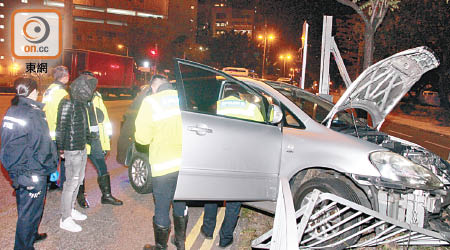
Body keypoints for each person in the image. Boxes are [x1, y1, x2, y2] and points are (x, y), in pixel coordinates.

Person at [200, 84, 264, 248]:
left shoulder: (216, 107)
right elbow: (262, 133)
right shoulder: (251, 109)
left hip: (219, 158)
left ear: (225, 96)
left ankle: (208, 230)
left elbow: (207, 132)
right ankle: (225, 238)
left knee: (212, 196)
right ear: (239, 96)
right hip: (240, 161)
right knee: (234, 202)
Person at [0, 77, 58, 250]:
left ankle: (31, 235)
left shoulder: (13, 109)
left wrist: (14, 173)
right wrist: (51, 165)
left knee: (27, 208)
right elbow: (43, 145)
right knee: (29, 214)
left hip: (20, 169)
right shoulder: (32, 113)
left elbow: (9, 143)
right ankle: (23, 246)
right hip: (32, 171)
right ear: (33, 92)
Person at [135, 75, 187, 250]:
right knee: (180, 202)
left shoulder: (151, 102)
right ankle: (180, 242)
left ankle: (160, 247)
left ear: (153, 88)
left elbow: (142, 138)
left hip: (164, 165)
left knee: (162, 208)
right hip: (185, 164)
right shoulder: (184, 99)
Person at [56, 73, 97, 232]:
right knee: (71, 183)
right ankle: (65, 218)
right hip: (71, 149)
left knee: (79, 181)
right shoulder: (67, 102)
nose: (90, 92)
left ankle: (71, 209)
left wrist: (88, 138)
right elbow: (60, 127)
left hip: (81, 147)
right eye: (88, 89)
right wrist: (61, 148)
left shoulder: (81, 103)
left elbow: (84, 124)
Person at [75, 70, 123, 208]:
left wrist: (106, 142)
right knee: (79, 171)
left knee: (102, 168)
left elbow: (105, 121)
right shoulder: (74, 98)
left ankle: (106, 196)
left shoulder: (97, 97)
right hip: (81, 141)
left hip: (95, 140)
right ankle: (80, 197)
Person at [43, 65, 70, 190]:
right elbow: (64, 115)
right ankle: (63, 183)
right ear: (65, 77)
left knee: (51, 159)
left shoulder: (49, 89)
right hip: (57, 131)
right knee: (63, 159)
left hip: (47, 130)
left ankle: (50, 182)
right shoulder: (62, 93)